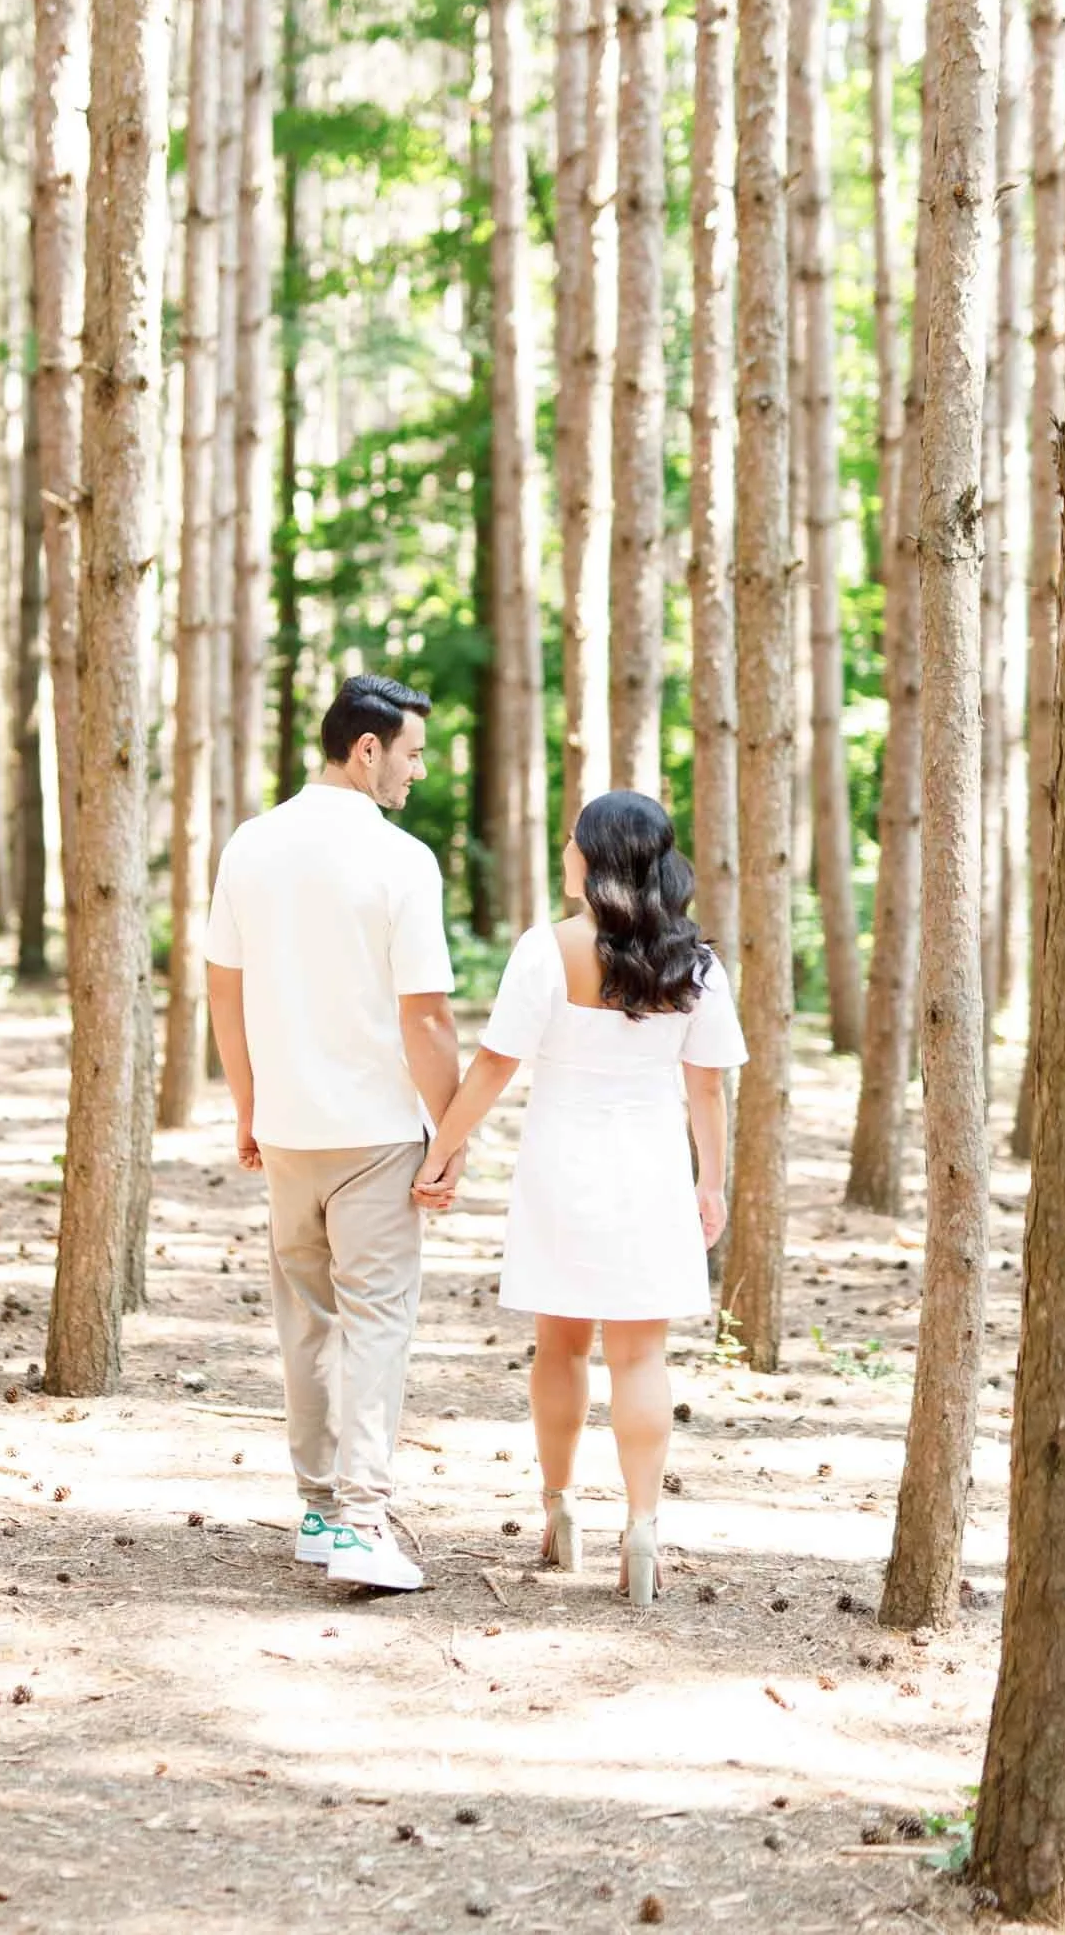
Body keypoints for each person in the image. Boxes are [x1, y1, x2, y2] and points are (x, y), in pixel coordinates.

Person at [413, 789, 745, 1606]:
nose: (564, 852)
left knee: (559, 1347)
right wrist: (710, 1182)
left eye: (571, 841)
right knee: (640, 1354)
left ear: (596, 856)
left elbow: (494, 1066)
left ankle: (559, 1511)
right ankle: (640, 1527)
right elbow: (707, 1094)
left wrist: (441, 1150)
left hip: (560, 1166)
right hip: (650, 1168)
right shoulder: (695, 962)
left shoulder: (546, 949)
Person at [205, 674, 461, 1593]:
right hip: (377, 1130)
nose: (417, 772)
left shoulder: (250, 843)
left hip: (287, 1127)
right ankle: (359, 1521)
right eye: (412, 753)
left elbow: (222, 990)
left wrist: (246, 1103)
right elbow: (425, 1016)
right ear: (367, 750)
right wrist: (452, 1131)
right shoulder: (401, 860)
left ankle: (318, 1509)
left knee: (305, 1323)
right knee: (376, 1325)